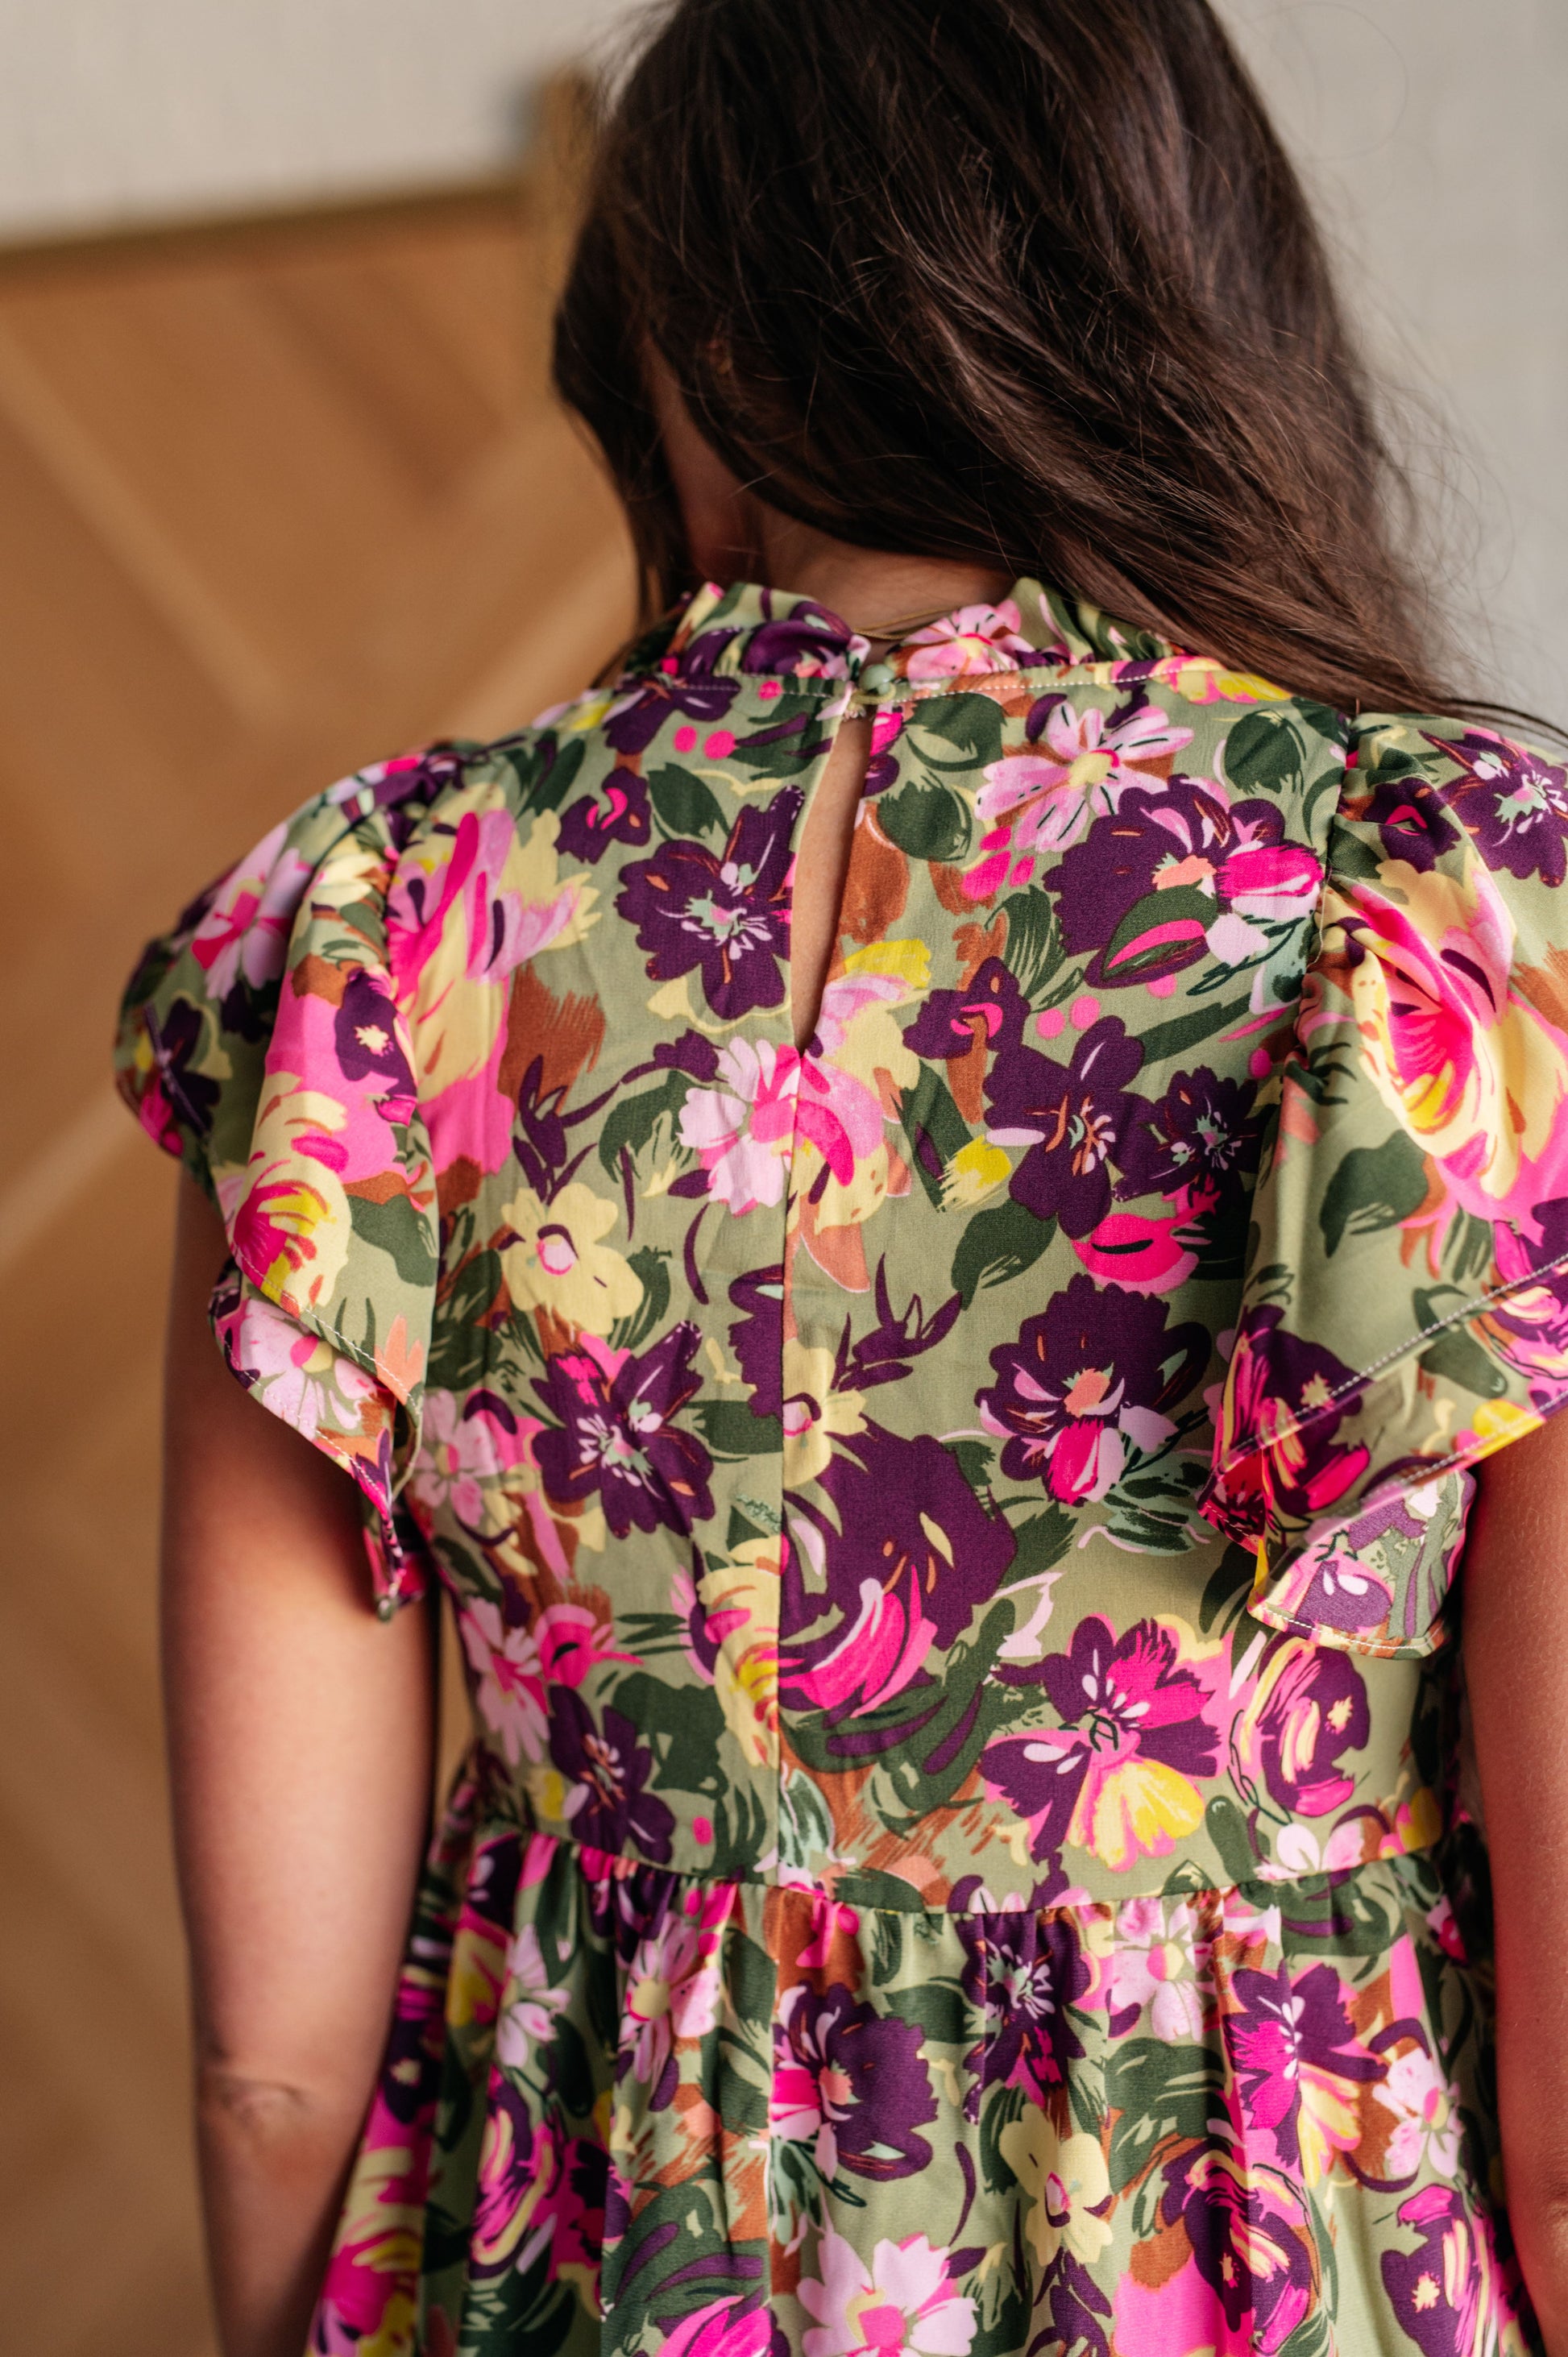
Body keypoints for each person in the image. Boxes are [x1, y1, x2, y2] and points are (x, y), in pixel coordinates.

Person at [114, 2, 1568, 2351]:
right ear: (1187, 307)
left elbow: (271, 2071)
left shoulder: (374, 935)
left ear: (692, 351)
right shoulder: (1449, 914)